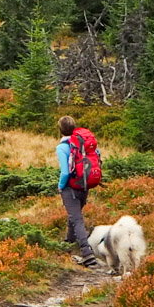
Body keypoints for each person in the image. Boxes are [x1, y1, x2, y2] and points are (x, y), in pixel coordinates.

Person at [56, 114, 102, 267]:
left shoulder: (62, 147)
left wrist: (61, 186)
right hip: (84, 184)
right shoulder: (84, 144)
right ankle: (70, 241)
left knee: (76, 218)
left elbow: (65, 172)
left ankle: (87, 253)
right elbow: (97, 156)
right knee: (74, 215)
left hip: (71, 187)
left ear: (60, 130)